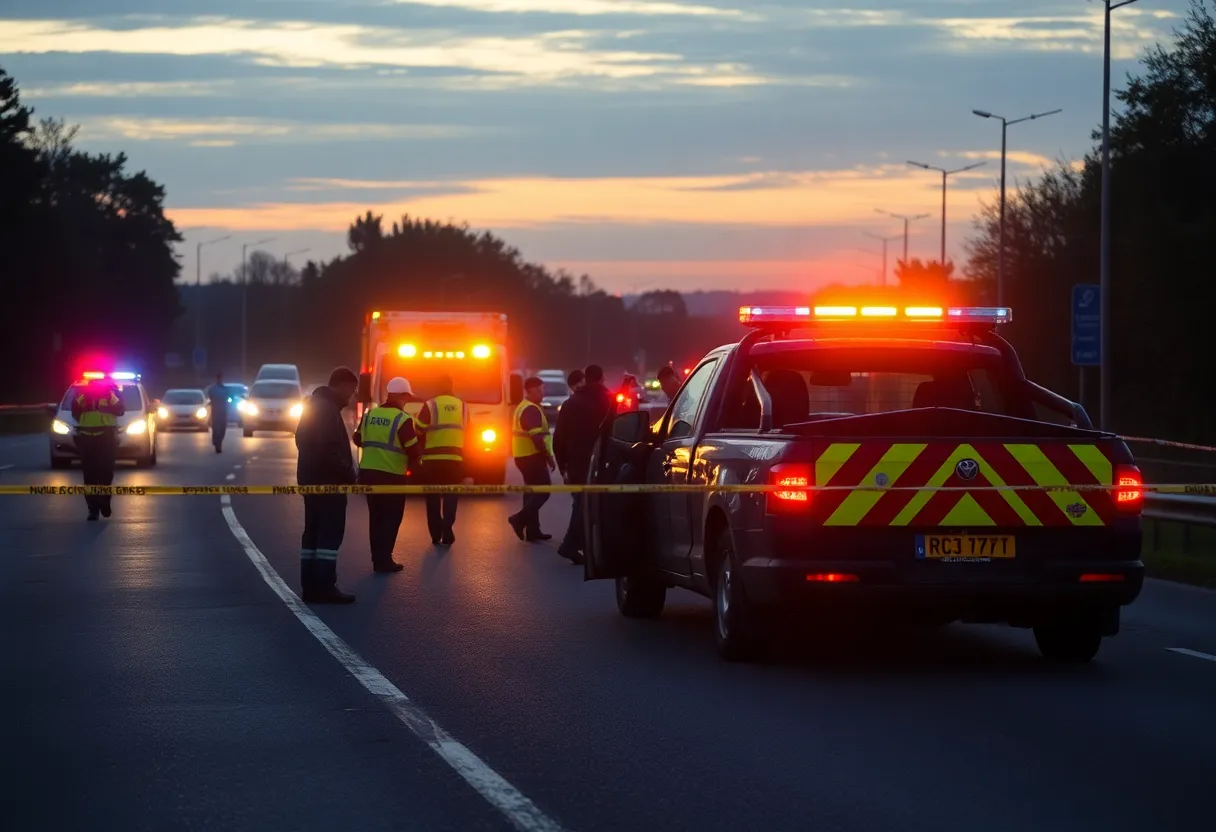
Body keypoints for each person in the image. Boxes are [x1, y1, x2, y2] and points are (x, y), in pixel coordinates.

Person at [295, 366, 360, 604]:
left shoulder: (314, 405)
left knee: (312, 534)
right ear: (341, 385)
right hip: (327, 482)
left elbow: (300, 439)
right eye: (351, 390)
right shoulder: (327, 410)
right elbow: (329, 450)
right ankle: (325, 586)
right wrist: (348, 472)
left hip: (310, 480)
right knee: (329, 535)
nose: (351, 395)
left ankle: (310, 586)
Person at [353, 376, 421, 574]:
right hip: (392, 476)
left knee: (376, 518)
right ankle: (385, 560)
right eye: (407, 397)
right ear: (401, 396)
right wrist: (419, 464)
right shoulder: (403, 420)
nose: (407, 400)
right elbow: (413, 450)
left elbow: (357, 438)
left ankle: (377, 559)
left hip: (368, 474)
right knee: (392, 518)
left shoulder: (370, 414)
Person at [552, 364, 616, 563]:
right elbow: (613, 432)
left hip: (576, 464)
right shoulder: (607, 401)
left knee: (582, 503)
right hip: (600, 462)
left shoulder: (570, 403)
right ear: (602, 379)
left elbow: (559, 438)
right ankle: (573, 545)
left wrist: (563, 466)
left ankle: (580, 546)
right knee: (589, 505)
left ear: (585, 379)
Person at [416, 374, 466, 546]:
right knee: (451, 495)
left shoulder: (430, 405)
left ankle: (436, 533)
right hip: (455, 459)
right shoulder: (462, 406)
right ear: (451, 386)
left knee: (433, 497)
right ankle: (447, 528)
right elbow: (470, 431)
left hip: (432, 460)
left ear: (436, 387)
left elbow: (419, 430)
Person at [508, 376, 556, 542]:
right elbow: (536, 437)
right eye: (539, 390)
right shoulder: (530, 409)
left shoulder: (525, 407)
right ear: (529, 391)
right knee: (544, 491)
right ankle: (519, 519)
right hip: (531, 456)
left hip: (523, 456)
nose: (542, 393)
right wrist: (548, 456)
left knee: (532, 492)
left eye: (542, 390)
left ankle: (533, 530)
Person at [71, 377, 125, 521]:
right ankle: (93, 509)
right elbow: (74, 413)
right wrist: (85, 408)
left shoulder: (110, 394)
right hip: (87, 438)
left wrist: (105, 408)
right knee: (90, 475)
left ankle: (105, 503)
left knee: (106, 473)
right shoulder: (81, 395)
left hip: (106, 437)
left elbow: (120, 410)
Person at [206, 373, 229, 453]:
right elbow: (210, 398)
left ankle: (218, 441)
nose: (220, 380)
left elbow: (229, 398)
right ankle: (217, 443)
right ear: (217, 379)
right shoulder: (212, 389)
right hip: (215, 411)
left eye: (221, 379)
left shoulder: (225, 389)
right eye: (219, 378)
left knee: (222, 429)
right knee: (216, 429)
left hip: (223, 411)